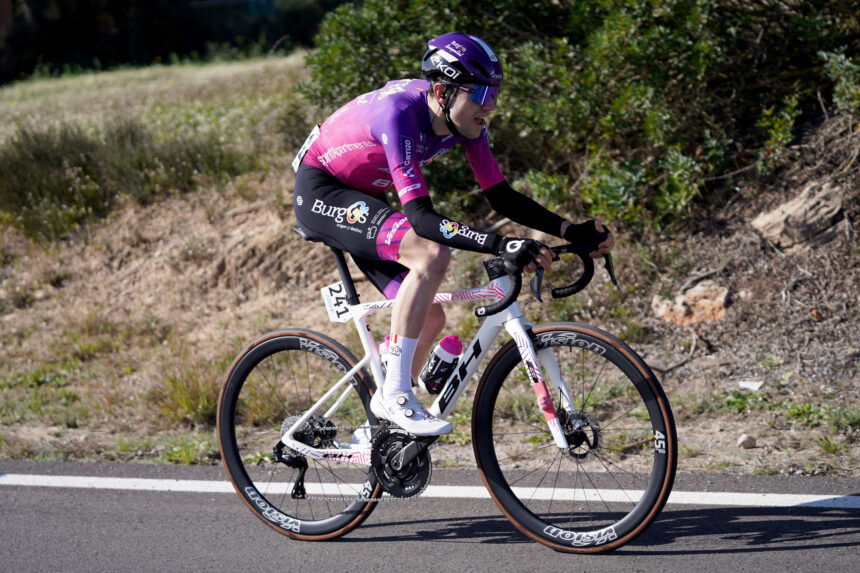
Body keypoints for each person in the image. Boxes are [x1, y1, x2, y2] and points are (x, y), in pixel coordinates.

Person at [292, 32, 614, 436]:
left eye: (495, 93)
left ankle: (379, 428)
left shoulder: (467, 123)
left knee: (429, 317)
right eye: (480, 93)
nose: (490, 106)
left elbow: (500, 195)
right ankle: (395, 394)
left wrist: (570, 228)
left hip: (364, 196)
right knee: (430, 254)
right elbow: (423, 219)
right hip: (322, 191)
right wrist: (500, 243)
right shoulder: (399, 115)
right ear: (443, 90)